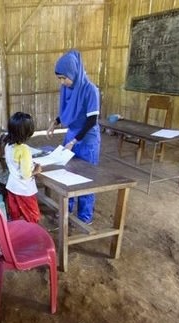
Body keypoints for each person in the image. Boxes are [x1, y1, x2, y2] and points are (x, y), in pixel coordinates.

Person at [47, 49, 101, 224]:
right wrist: (55, 122)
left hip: (86, 138)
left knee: (85, 177)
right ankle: (67, 209)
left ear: (74, 72)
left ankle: (84, 217)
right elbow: (68, 112)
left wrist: (76, 140)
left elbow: (92, 120)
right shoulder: (68, 89)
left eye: (64, 78)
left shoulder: (90, 90)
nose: (62, 82)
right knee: (68, 173)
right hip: (71, 136)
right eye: (59, 79)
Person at [5, 112, 41, 223]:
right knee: (32, 217)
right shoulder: (24, 149)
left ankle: (18, 235)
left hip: (12, 187)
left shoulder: (8, 145)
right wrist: (36, 170)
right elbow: (26, 174)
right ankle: (30, 237)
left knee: (15, 215)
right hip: (24, 190)